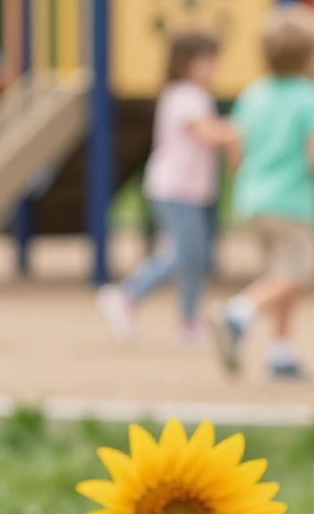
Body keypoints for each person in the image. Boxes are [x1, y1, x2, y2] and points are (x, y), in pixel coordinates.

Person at [207, 3, 314, 381]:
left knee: (280, 277)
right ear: (312, 57)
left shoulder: (254, 95)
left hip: (254, 200)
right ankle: (237, 314)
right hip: (291, 202)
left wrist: (244, 180)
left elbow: (236, 150)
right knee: (297, 275)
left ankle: (281, 354)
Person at [96, 32, 238, 345]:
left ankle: (187, 322)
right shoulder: (186, 95)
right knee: (184, 253)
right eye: (206, 62)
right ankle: (128, 294)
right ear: (183, 64)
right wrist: (241, 129)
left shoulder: (188, 94)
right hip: (175, 188)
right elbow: (207, 133)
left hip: (189, 188)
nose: (213, 68)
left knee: (195, 256)